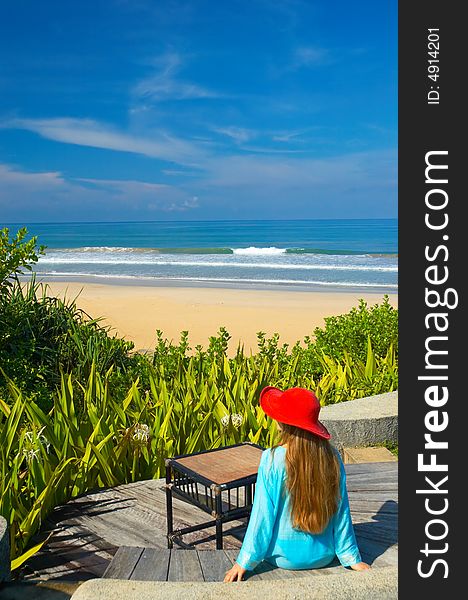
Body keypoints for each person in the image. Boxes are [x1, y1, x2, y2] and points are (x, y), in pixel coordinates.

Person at [224, 386, 370, 582]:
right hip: (324, 555)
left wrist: (244, 561)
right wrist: (351, 557)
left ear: (285, 423)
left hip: (283, 557)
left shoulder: (272, 459)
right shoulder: (332, 457)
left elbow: (262, 515)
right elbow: (341, 511)